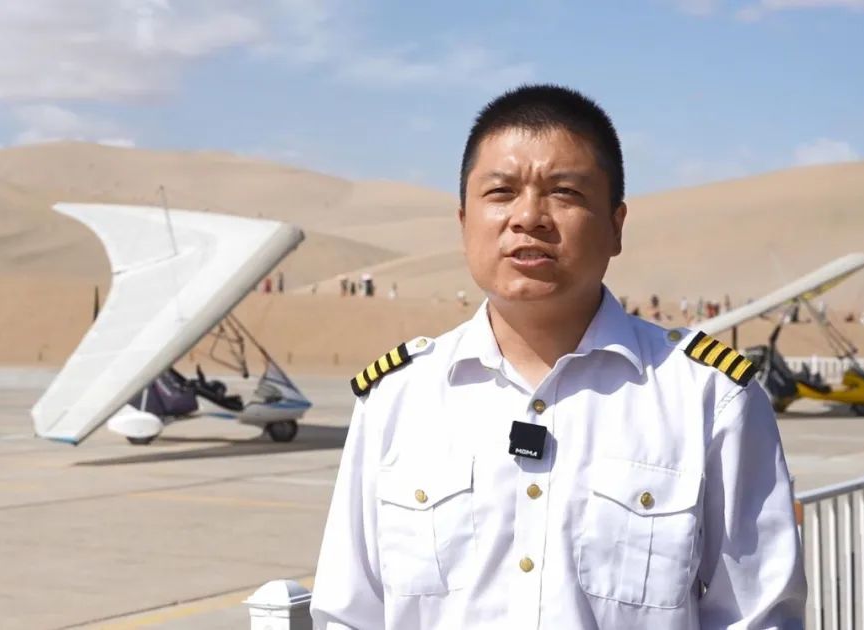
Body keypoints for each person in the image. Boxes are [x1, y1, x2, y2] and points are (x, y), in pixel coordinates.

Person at [311, 84, 805, 629]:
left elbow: (759, 615)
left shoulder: (708, 398)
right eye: (501, 192)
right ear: (463, 222)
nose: (529, 217)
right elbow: (349, 613)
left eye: (564, 193)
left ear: (616, 226)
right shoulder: (397, 399)